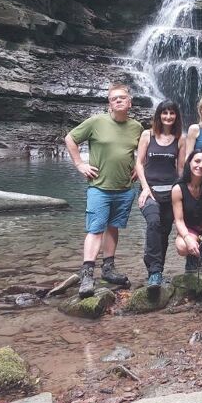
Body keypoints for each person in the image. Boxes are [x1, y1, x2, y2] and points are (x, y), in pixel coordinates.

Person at [64, 83, 144, 298]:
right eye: (114, 98)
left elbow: (141, 151)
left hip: (125, 188)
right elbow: (70, 138)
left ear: (130, 102)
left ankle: (108, 269)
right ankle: (87, 273)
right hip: (99, 187)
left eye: (122, 98)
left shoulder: (137, 127)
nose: (118, 101)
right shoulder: (96, 122)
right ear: (109, 103)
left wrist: (138, 167)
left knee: (113, 227)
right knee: (96, 228)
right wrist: (79, 164)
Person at [135, 100, 185, 289]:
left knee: (164, 232)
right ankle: (154, 272)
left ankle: (157, 272)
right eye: (164, 113)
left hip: (171, 192)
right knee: (154, 222)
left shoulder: (180, 138)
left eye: (172, 113)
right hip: (150, 190)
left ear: (176, 116)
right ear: (159, 115)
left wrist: (181, 193)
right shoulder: (147, 135)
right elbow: (139, 163)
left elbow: (180, 169)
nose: (168, 117)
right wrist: (146, 188)